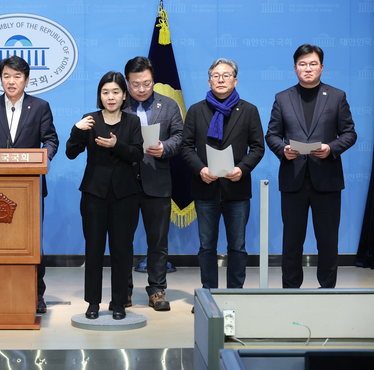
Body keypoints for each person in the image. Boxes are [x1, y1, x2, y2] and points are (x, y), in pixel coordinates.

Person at [0, 55, 59, 314]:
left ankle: (36, 292)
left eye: (17, 77)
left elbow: (51, 140)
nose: (11, 81)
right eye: (7, 76)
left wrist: (44, 157)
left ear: (27, 80)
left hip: (29, 187)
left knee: (32, 241)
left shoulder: (40, 106)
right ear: (0, 79)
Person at [265, 44, 356, 289]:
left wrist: (331, 148)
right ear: (295, 68)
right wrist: (283, 150)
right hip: (293, 180)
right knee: (292, 241)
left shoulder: (337, 96)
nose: (308, 68)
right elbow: (272, 135)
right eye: (303, 64)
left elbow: (349, 133)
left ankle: (327, 289)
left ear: (322, 67)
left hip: (327, 179)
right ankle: (291, 289)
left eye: (313, 64)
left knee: (327, 241)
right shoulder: (282, 98)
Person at [181, 58, 264, 291]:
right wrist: (200, 169)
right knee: (207, 247)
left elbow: (258, 147)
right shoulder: (197, 111)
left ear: (235, 81)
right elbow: (186, 146)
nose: (220, 79)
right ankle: (208, 295)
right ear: (209, 81)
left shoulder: (249, 110)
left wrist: (242, 169)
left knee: (237, 247)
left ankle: (236, 294)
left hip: (236, 189)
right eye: (216, 76)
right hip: (205, 188)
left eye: (226, 75)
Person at [66, 71, 143, 320]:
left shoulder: (132, 122)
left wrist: (116, 145)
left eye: (115, 92)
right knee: (94, 249)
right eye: (105, 92)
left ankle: (119, 302)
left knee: (122, 250)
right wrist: (77, 130)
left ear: (124, 95)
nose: (110, 97)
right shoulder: (89, 120)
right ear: (100, 95)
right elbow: (70, 153)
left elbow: (137, 154)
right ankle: (92, 303)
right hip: (94, 195)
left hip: (125, 195)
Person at [123, 56, 183, 312]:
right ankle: (122, 291)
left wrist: (165, 147)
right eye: (135, 84)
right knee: (122, 240)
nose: (141, 89)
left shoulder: (168, 106)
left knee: (158, 241)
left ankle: (157, 289)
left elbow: (181, 136)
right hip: (124, 182)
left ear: (153, 80)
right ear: (127, 82)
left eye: (146, 83)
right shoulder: (117, 104)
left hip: (157, 181)